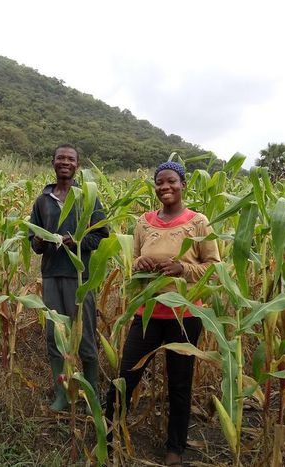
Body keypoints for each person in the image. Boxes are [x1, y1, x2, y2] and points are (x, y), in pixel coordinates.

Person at [105, 161, 220, 466]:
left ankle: (175, 448)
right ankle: (108, 432)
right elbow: (134, 264)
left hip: (185, 317)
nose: (165, 187)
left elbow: (215, 269)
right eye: (159, 183)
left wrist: (183, 268)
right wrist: (140, 264)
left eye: (171, 181)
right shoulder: (143, 222)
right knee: (125, 377)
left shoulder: (197, 222)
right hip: (146, 314)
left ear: (183, 185)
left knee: (180, 385)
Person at [29, 144, 109, 411]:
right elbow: (34, 241)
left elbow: (101, 235)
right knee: (55, 336)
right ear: (52, 163)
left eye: (70, 159)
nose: (65, 162)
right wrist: (40, 242)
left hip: (80, 278)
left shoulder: (88, 197)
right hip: (52, 276)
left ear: (77, 164)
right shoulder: (43, 200)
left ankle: (91, 394)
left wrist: (75, 242)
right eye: (60, 158)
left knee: (84, 337)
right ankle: (62, 392)